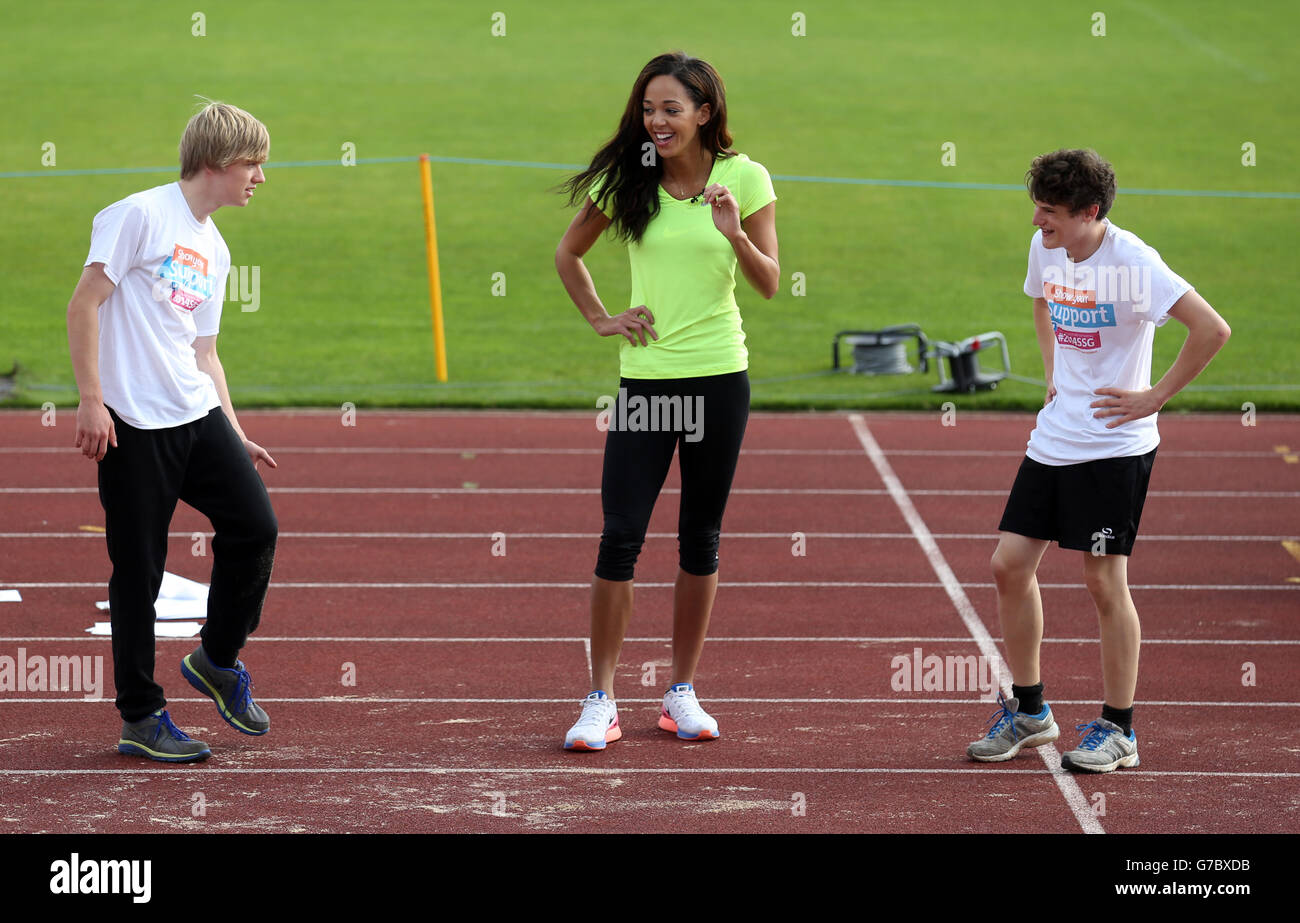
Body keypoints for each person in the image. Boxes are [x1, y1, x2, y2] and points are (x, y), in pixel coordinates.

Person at [968, 148, 1230, 772]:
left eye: (1051, 211)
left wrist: (1154, 398)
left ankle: (1120, 730)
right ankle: (1031, 714)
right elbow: (1041, 301)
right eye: (1036, 206)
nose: (1037, 220)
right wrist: (1054, 370)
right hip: (1056, 435)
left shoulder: (1135, 263)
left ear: (1091, 212)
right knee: (1008, 565)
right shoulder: (1048, 247)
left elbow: (1212, 329)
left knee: (1102, 580)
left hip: (1114, 446)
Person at [554, 52, 779, 750]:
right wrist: (601, 317)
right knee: (620, 532)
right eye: (649, 110)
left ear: (705, 112)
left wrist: (735, 231)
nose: (656, 122)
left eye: (670, 110)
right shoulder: (631, 178)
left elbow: (770, 282)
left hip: (719, 380)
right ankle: (602, 698)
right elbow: (569, 253)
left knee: (699, 537)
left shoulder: (746, 177)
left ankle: (681, 690)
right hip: (648, 384)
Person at [66, 100, 279, 763]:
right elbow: (84, 303)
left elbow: (203, 350)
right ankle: (141, 714)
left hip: (197, 416)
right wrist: (92, 400)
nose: (261, 178)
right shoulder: (138, 215)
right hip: (132, 428)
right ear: (217, 162)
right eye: (254, 164)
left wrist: (235, 430)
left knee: (255, 525)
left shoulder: (215, 247)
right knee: (139, 572)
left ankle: (217, 659)